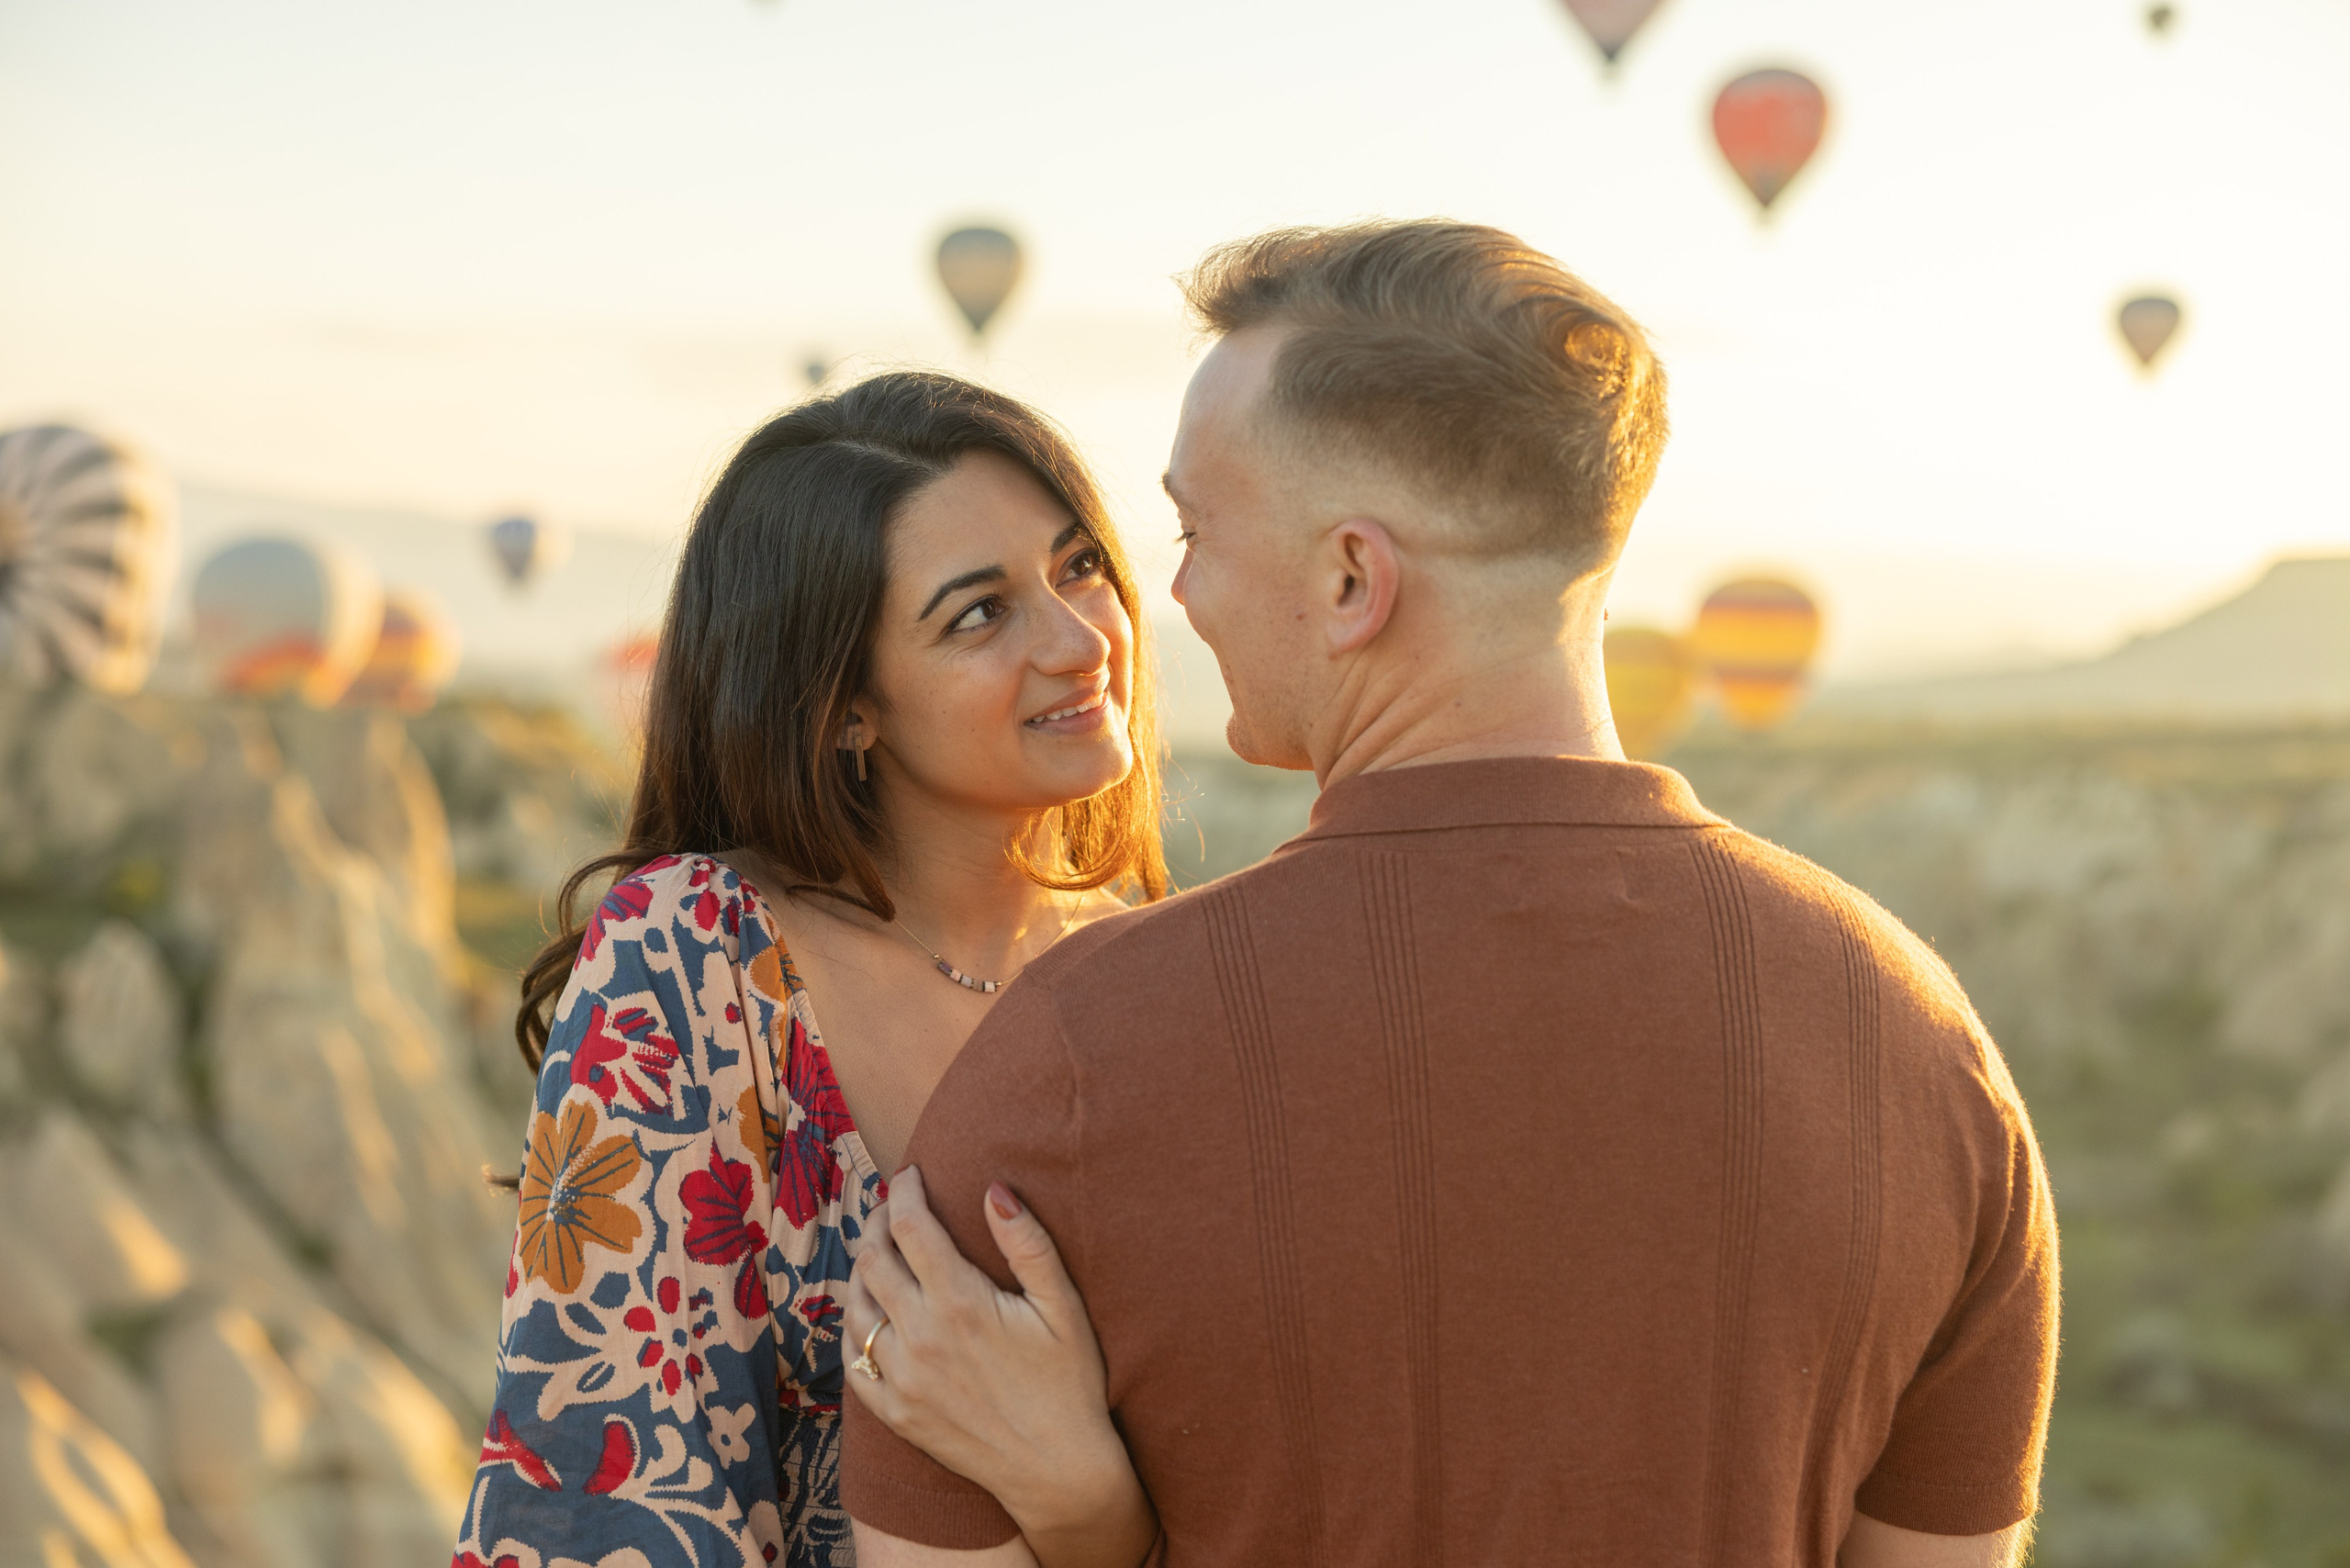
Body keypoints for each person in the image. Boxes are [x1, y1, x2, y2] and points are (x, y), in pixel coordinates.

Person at [837, 222, 2061, 1567]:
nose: (1169, 595)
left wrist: (1099, 1526)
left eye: (1196, 531)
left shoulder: (1076, 1056)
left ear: (1353, 579)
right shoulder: (1919, 1046)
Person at [452, 373, 1171, 1568]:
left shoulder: (1164, 976)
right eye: (978, 615)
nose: (1079, 640)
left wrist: (1091, 1508)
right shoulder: (701, 958)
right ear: (846, 709)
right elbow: (615, 1495)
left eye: (1079, 566)